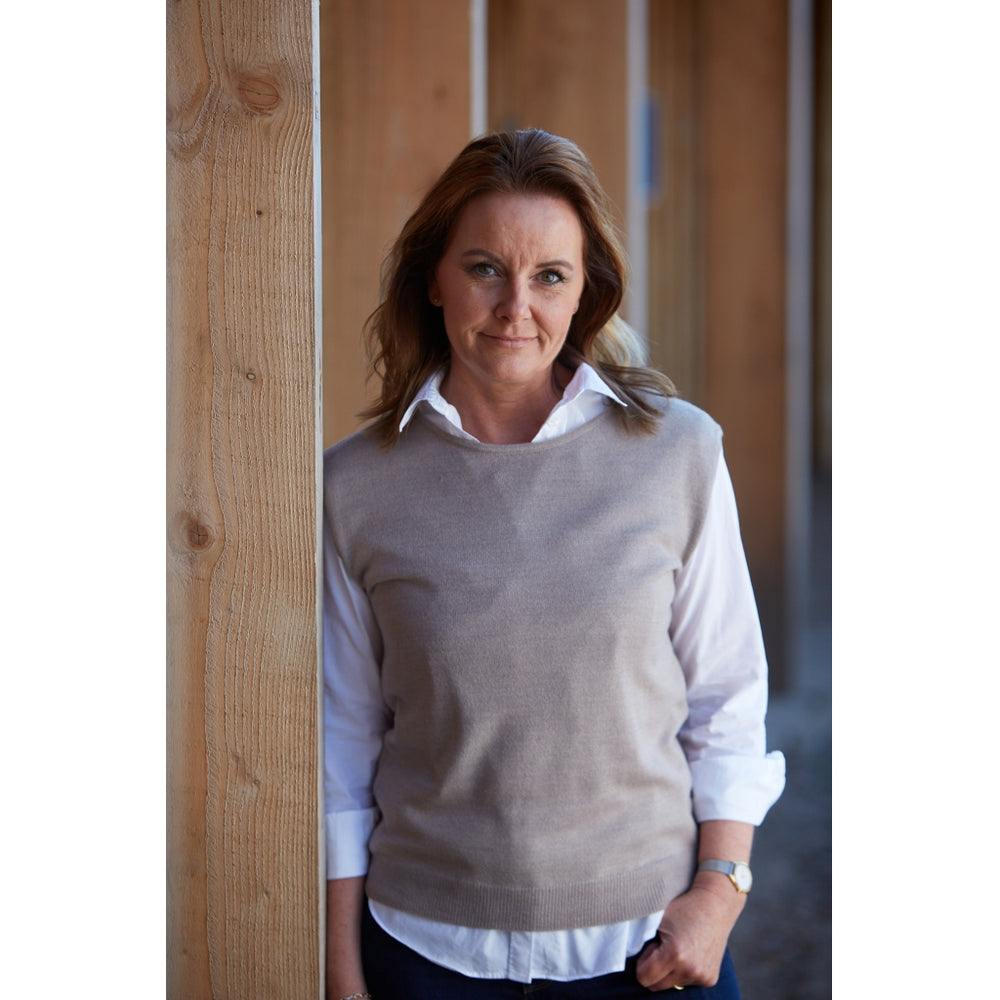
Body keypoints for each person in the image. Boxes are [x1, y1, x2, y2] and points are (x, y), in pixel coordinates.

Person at [323, 128, 785, 999]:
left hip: (650, 950)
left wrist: (719, 895)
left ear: (586, 291)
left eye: (549, 276)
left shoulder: (678, 453)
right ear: (433, 277)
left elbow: (727, 695)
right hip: (424, 955)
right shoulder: (355, 485)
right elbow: (342, 747)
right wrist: (344, 977)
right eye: (485, 268)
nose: (515, 308)